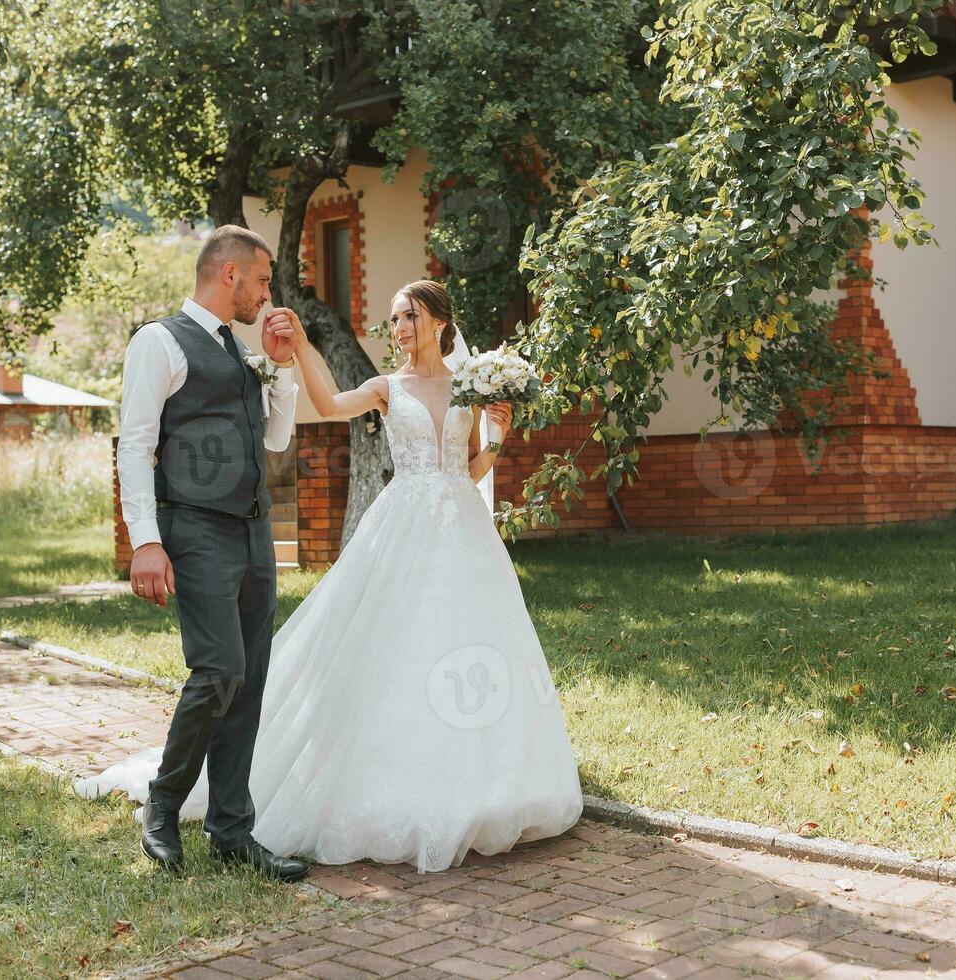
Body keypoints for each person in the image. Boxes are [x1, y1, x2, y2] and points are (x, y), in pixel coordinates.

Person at [80, 278, 582, 873]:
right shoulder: (385, 388)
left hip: (465, 535)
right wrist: (304, 350)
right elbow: (330, 405)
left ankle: (484, 785)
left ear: (442, 322)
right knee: (397, 651)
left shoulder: (470, 389)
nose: (398, 329)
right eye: (394, 319)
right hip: (403, 532)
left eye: (409, 317)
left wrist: (497, 439)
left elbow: (467, 469)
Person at [106, 224, 308, 881]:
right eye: (262, 279)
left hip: (252, 532)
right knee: (218, 669)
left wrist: (281, 366)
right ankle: (163, 807)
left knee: (244, 683)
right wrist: (146, 542)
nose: (266, 293)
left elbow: (277, 439)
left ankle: (231, 832)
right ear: (229, 274)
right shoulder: (159, 341)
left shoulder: (241, 352)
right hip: (193, 529)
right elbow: (135, 445)